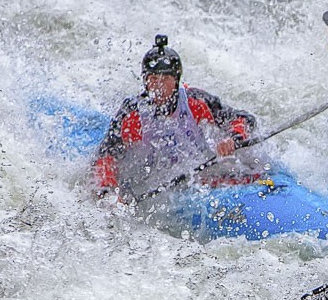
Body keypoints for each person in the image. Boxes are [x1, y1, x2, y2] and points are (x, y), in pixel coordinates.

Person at [92, 35, 261, 201]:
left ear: (176, 80)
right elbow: (106, 155)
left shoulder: (196, 101)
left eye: (166, 78)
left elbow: (243, 118)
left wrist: (233, 138)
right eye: (153, 79)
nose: (159, 85)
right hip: (158, 182)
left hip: (200, 173)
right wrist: (108, 192)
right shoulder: (132, 114)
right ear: (145, 81)